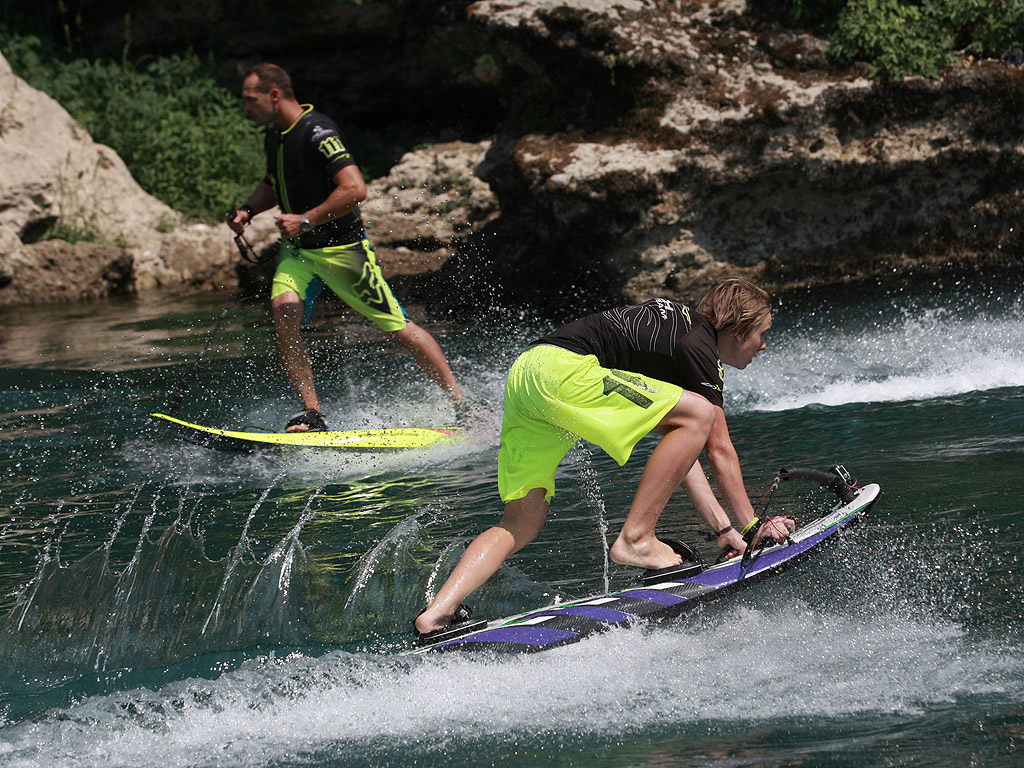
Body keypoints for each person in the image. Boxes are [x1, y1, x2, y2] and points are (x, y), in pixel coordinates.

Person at [413, 278, 794, 643]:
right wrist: (752, 527)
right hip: (564, 371)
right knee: (700, 415)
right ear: (739, 331)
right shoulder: (699, 346)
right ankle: (636, 540)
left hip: (528, 374)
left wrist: (725, 531)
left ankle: (437, 613)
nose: (763, 346)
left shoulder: (678, 331)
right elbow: (719, 446)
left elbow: (683, 453)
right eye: (762, 334)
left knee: (522, 521)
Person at [228, 63, 470, 432]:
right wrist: (248, 210)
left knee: (399, 329)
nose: (245, 108)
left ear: (274, 95)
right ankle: (312, 413)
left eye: (250, 99)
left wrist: (306, 218)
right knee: (283, 314)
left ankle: (461, 403)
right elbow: (273, 181)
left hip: (344, 251)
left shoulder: (318, 132)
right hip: (298, 253)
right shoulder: (274, 135)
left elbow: (355, 189)